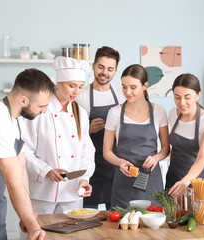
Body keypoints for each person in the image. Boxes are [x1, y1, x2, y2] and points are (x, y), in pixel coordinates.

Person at [0, 68, 55, 240]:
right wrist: (33, 227)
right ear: (24, 100)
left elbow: (21, 167)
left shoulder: (14, 118)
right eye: (42, 106)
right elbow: (13, 181)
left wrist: (27, 216)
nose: (45, 111)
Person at [22, 57, 96, 216]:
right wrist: (46, 171)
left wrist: (85, 179)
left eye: (81, 87)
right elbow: (24, 150)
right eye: (72, 86)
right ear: (59, 82)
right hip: (43, 193)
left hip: (73, 193)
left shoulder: (80, 113)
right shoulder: (40, 109)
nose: (76, 92)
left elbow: (87, 151)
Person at [103, 64, 169, 208]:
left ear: (145, 86)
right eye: (124, 87)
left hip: (151, 180)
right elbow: (106, 151)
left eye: (133, 87)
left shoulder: (159, 111)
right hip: (124, 180)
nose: (128, 92)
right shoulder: (114, 113)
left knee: (153, 225)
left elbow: (165, 148)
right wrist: (120, 162)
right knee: (124, 224)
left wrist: (156, 158)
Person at [76, 46, 125, 210]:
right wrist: (88, 130)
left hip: (115, 164)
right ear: (93, 66)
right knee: (88, 213)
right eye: (101, 67)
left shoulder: (121, 95)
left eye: (110, 69)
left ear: (116, 70)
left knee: (116, 213)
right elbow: (69, 135)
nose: (105, 72)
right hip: (91, 164)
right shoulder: (81, 96)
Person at [166, 73, 204, 198]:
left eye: (187, 97)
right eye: (177, 97)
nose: (182, 102)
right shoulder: (173, 114)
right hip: (174, 178)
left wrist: (185, 181)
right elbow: (175, 148)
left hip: (198, 182)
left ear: (198, 95)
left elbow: (202, 158)